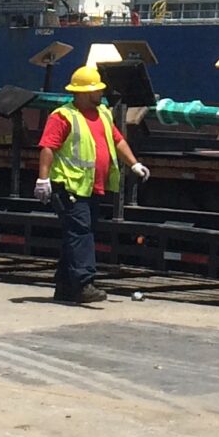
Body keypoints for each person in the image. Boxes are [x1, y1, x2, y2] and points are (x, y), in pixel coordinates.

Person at [33, 65, 149, 306]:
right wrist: (43, 179)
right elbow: (48, 147)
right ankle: (84, 283)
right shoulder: (63, 116)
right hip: (69, 186)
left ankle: (65, 286)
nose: (101, 94)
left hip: (91, 187)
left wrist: (134, 164)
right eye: (97, 90)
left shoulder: (103, 113)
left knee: (76, 234)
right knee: (81, 232)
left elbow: (117, 140)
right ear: (85, 93)